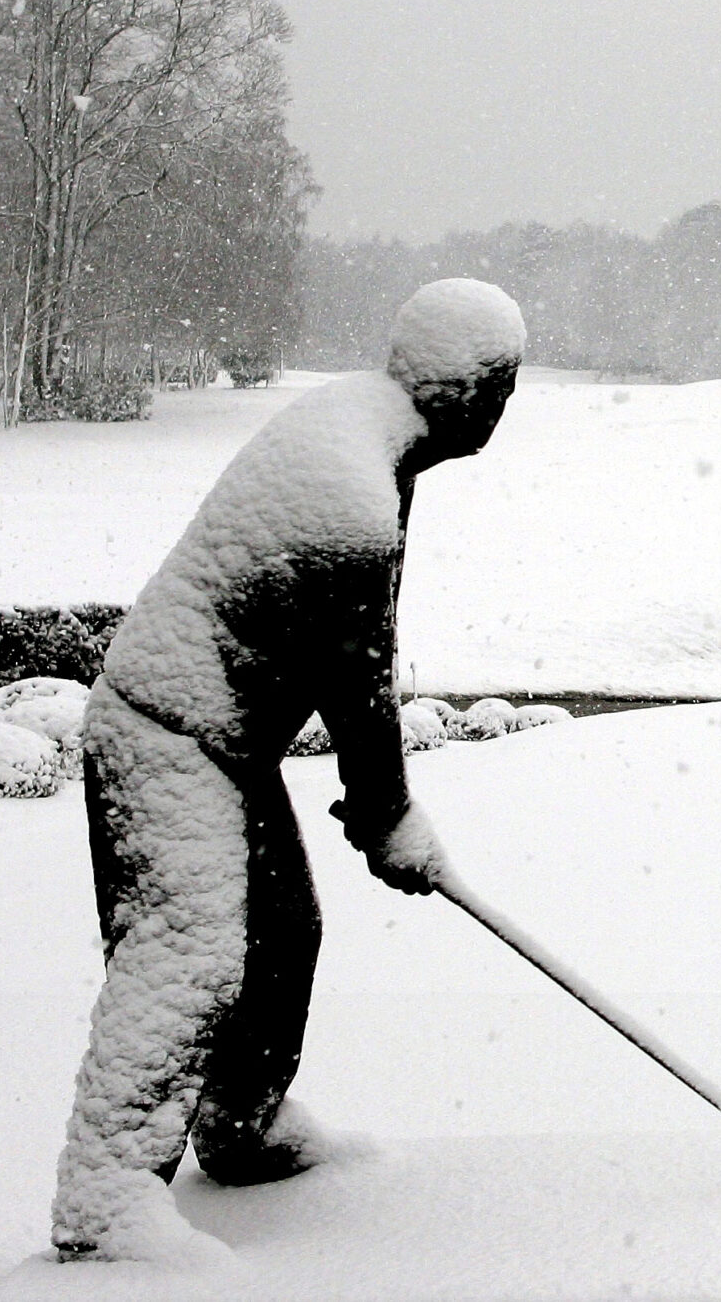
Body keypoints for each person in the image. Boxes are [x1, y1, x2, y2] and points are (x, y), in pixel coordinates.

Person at [50, 278, 525, 1262]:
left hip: (219, 740)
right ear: (472, 393)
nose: (501, 412)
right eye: (503, 391)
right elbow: (359, 685)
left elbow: (350, 664)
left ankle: (237, 1124)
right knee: (188, 957)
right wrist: (388, 814)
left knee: (283, 935)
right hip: (166, 732)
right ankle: (104, 1206)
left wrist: (384, 810)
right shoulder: (350, 500)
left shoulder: (362, 430)